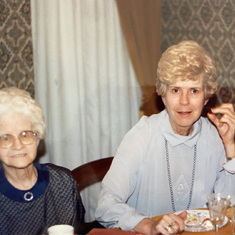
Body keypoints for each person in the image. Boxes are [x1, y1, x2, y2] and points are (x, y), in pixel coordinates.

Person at [95, 40, 235, 235]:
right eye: (175, 90)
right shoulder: (142, 135)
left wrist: (230, 148)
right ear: (163, 95)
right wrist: (149, 226)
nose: (184, 101)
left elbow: (228, 208)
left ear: (205, 98)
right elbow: (106, 204)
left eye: (194, 91)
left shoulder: (214, 136)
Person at [0, 87, 85, 235]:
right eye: (6, 138)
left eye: (25, 134)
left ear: (37, 138)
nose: (18, 145)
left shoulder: (63, 182)